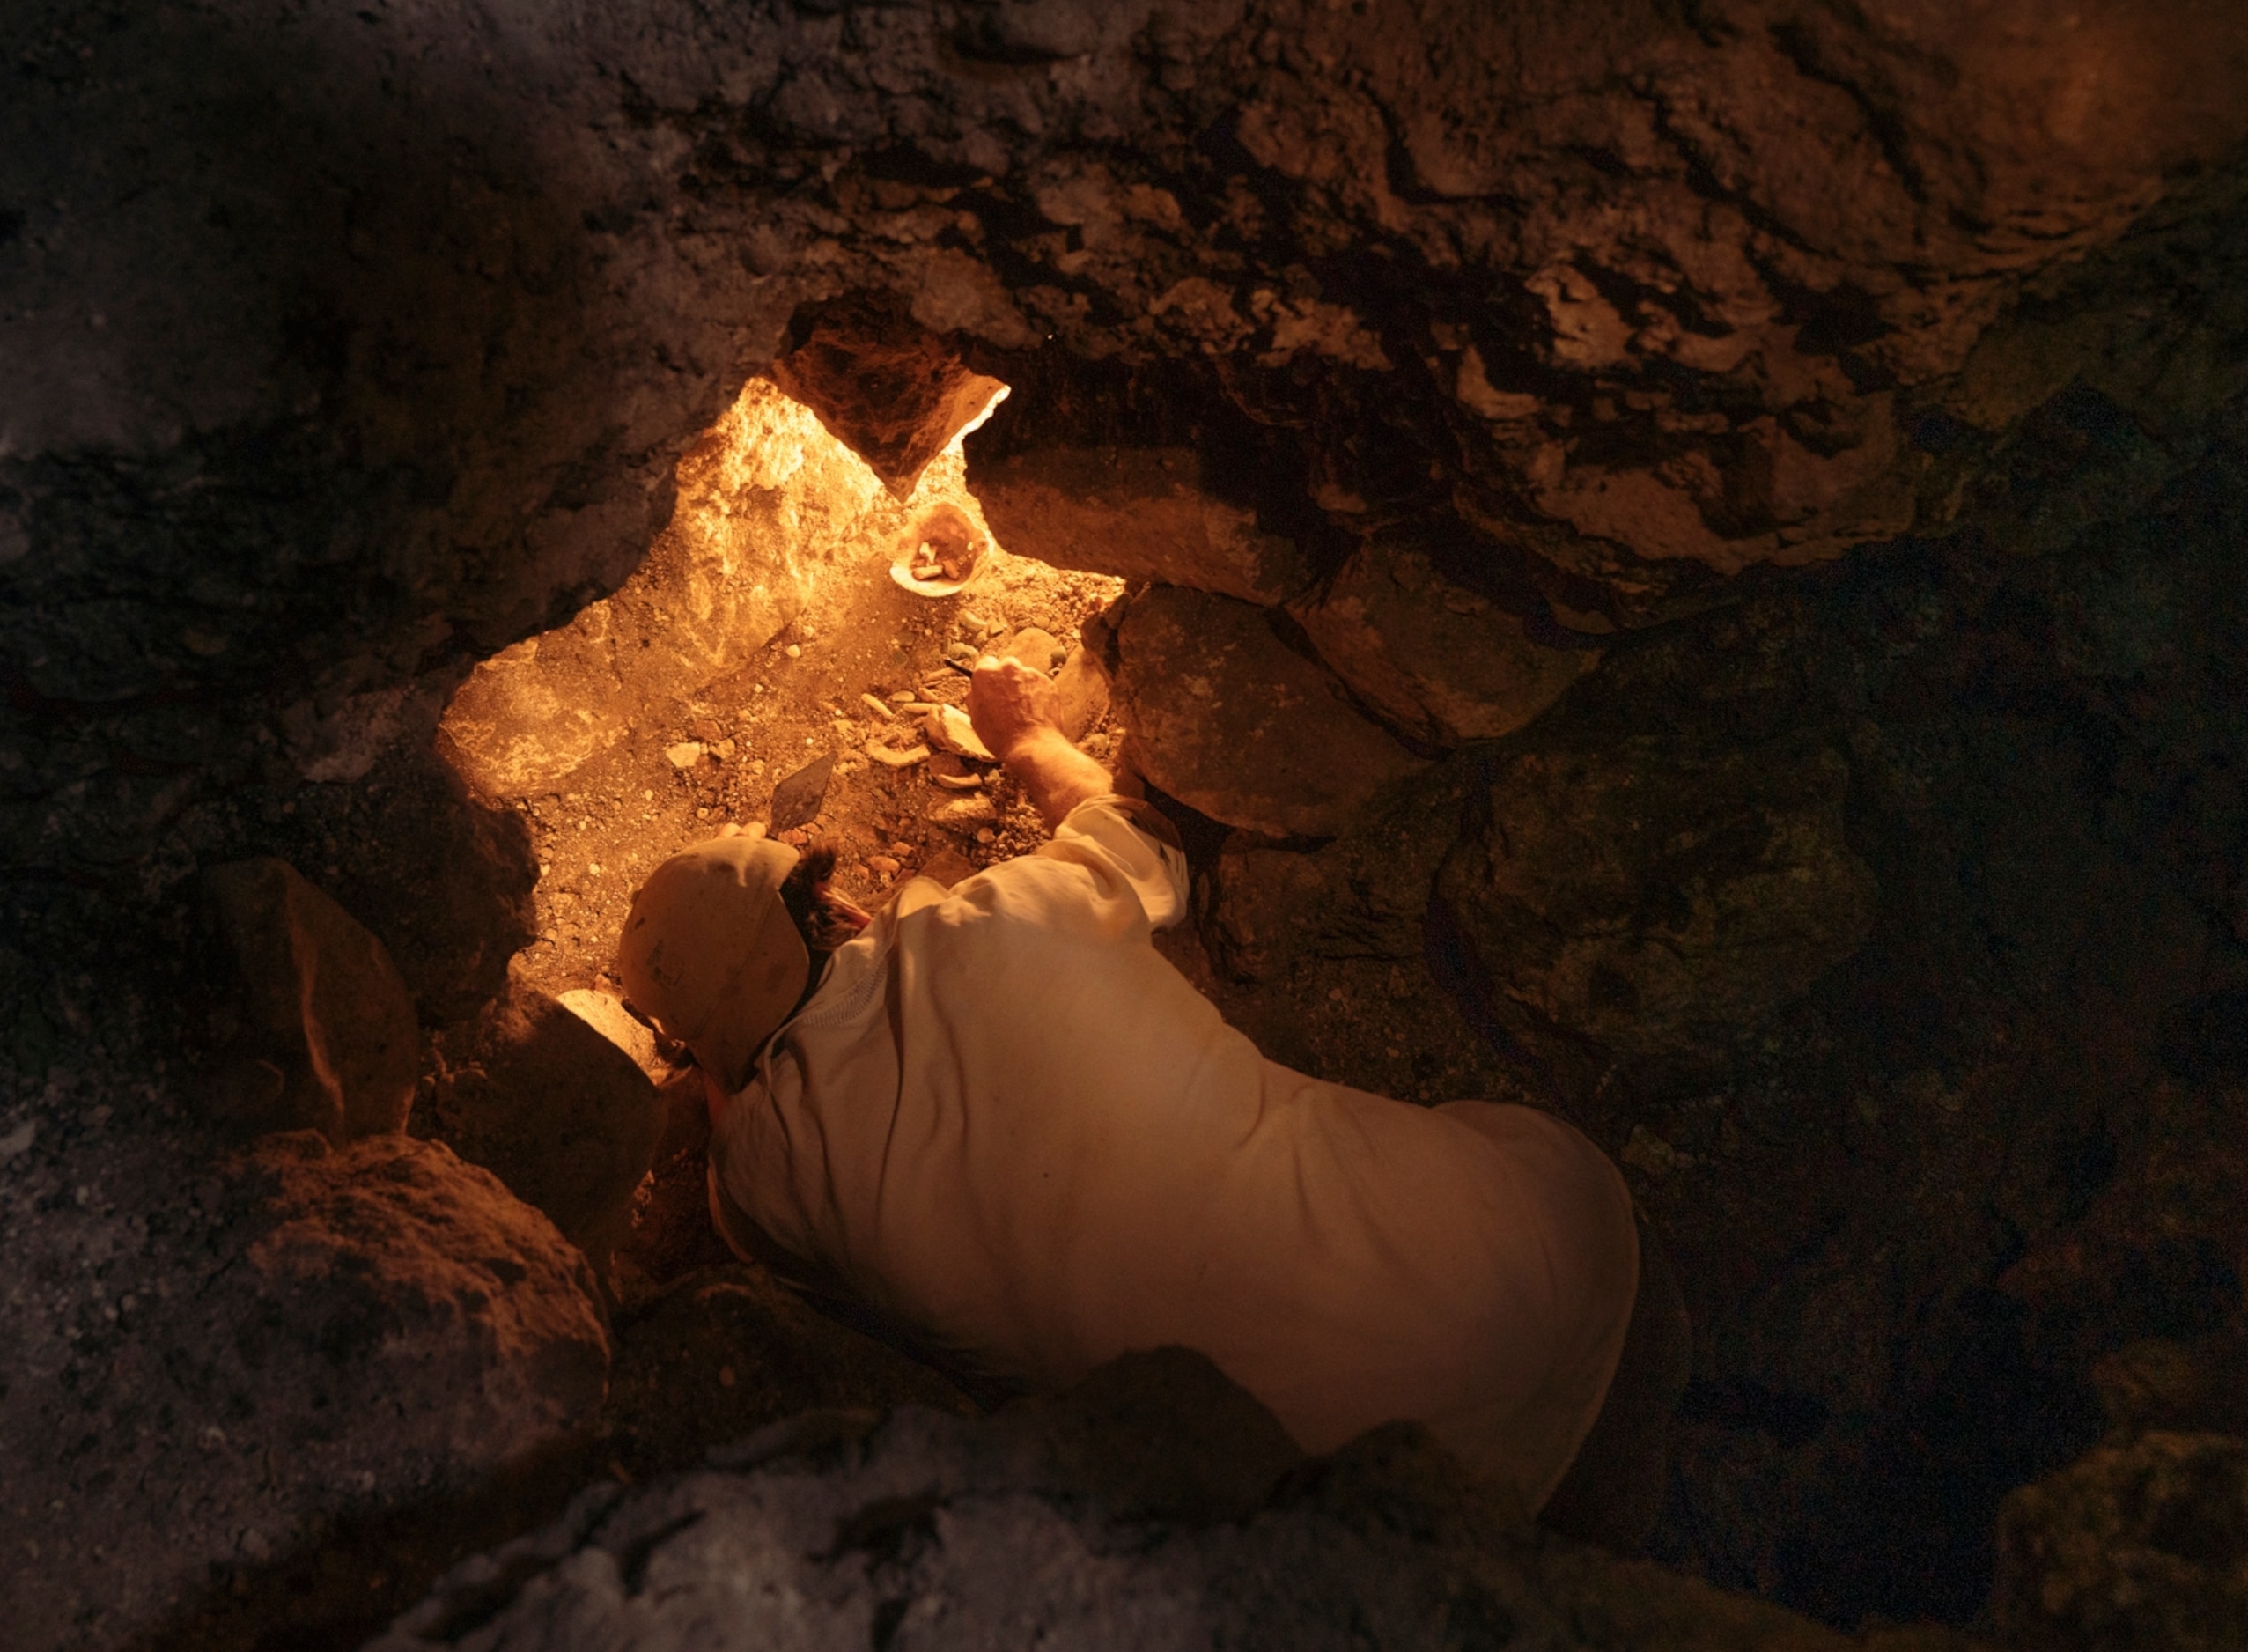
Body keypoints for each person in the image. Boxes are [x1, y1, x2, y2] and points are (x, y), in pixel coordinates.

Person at [614, 653, 1688, 1545]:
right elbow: (1148, 852)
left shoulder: (758, 1187)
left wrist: (723, 1061)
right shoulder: (1005, 917)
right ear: (832, 907)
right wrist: (1028, 737)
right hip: (1544, 1264)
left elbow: (737, 1147)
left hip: (1366, 1517)